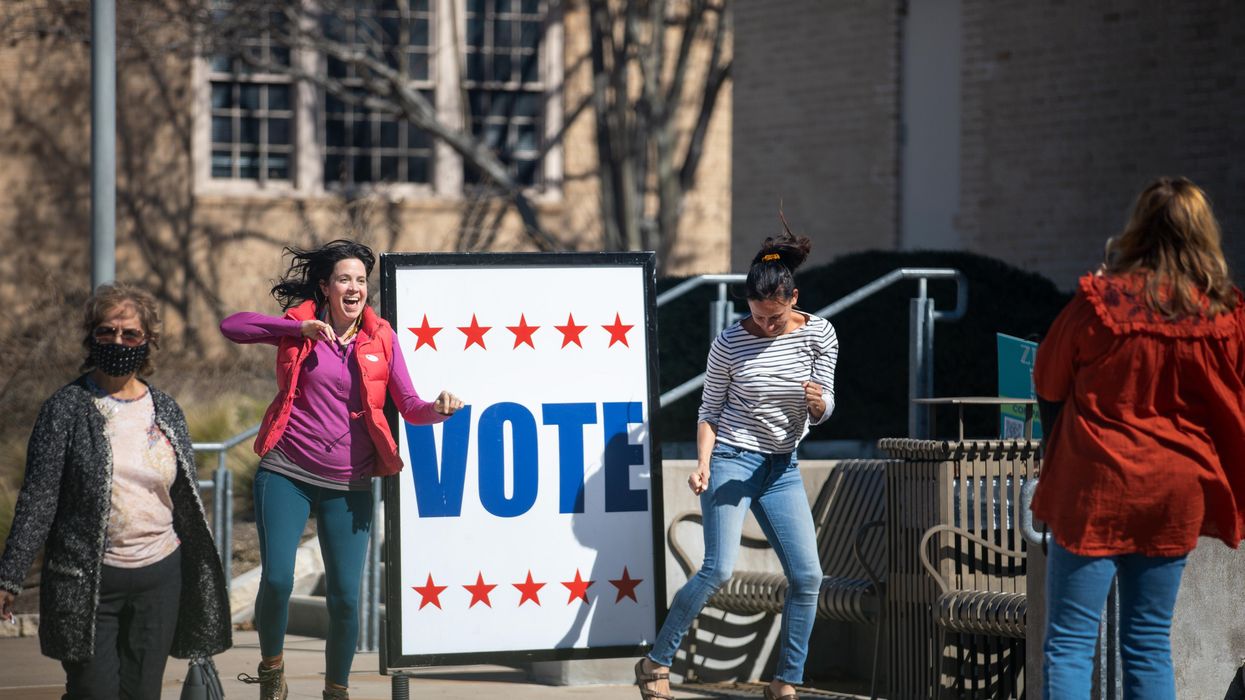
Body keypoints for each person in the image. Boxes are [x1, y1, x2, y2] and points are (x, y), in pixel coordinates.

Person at [220, 239, 463, 700]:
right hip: (287, 468)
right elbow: (231, 326)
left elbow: (409, 405)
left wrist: (438, 408)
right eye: (344, 279)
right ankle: (272, 670)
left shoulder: (382, 338)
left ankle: (336, 690)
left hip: (349, 482)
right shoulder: (300, 326)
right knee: (277, 579)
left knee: (346, 598)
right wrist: (296, 330)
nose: (354, 288)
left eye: (360, 281)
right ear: (326, 287)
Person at [1032, 176, 1245, 699]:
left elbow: (1049, 380)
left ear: (1138, 228)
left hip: (1096, 486)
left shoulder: (1100, 304)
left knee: (1069, 643)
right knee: (1149, 643)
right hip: (1175, 491)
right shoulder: (1223, 313)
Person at [0, 283, 232, 700]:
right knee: (94, 692)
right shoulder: (66, 407)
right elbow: (39, 497)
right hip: (87, 579)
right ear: (91, 337)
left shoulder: (165, 409)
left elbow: (186, 499)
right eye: (106, 332)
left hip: (160, 576)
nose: (117, 341)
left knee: (143, 693)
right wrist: (11, 575)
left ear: (148, 342)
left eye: (130, 334)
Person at [635, 229, 838, 700]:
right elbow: (708, 411)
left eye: (777, 316)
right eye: (758, 315)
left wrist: (816, 404)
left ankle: (786, 680)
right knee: (718, 569)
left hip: (781, 467)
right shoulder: (729, 343)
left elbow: (827, 406)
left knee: (808, 577)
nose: (767, 326)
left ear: (794, 299)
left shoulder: (820, 334)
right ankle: (655, 662)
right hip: (731, 457)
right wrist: (703, 463)